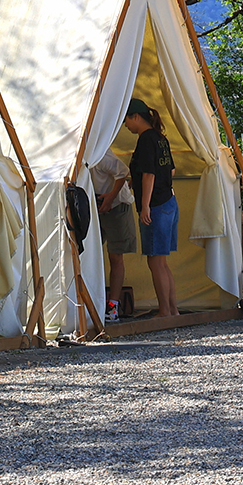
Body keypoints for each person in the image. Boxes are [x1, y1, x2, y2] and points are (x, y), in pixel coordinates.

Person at [124, 97, 179, 318]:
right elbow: (170, 171)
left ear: (136, 117)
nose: (126, 126)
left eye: (126, 120)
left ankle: (165, 311)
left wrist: (145, 205)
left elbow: (149, 174)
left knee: (155, 261)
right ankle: (173, 309)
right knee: (161, 262)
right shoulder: (160, 138)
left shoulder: (146, 139)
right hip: (168, 202)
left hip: (155, 206)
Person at [88, 150, 135, 321]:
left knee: (115, 256)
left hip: (116, 206)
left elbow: (122, 173)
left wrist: (110, 198)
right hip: (95, 208)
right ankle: (92, 303)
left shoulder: (100, 154)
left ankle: (113, 307)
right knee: (89, 256)